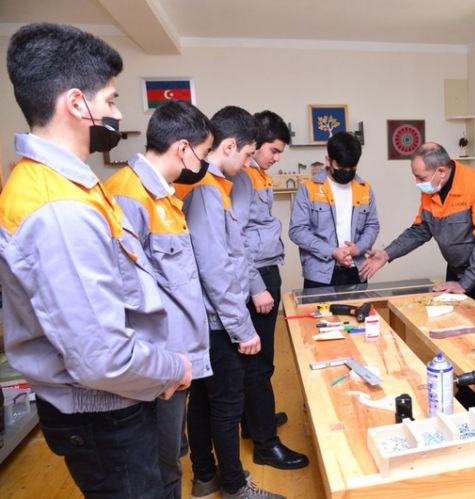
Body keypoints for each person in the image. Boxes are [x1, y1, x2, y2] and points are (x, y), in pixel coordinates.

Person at [1, 23, 191, 497]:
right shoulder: (57, 209)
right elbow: (102, 358)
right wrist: (173, 368)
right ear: (76, 103)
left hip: (120, 400)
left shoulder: (69, 185)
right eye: (110, 100)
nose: (118, 113)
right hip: (106, 414)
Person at [104, 100, 215, 498]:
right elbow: (124, 297)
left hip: (175, 359)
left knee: (170, 455)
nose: (204, 163)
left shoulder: (163, 196)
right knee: (159, 465)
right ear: (183, 148)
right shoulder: (127, 195)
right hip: (157, 366)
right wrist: (160, 368)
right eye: (204, 152)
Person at [174, 106, 283, 499]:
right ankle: (235, 486)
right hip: (217, 318)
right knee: (225, 404)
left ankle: (206, 477)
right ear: (231, 146)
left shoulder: (213, 185)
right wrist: (242, 328)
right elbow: (217, 268)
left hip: (209, 316)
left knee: (205, 400)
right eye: (249, 154)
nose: (248, 163)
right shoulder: (207, 189)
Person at [230, 110, 308, 469]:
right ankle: (266, 444)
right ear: (255, 144)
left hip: (264, 271)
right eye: (273, 150)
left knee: (257, 362)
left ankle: (254, 421)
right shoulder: (244, 177)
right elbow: (236, 238)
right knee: (259, 364)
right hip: (256, 277)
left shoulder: (257, 174)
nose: (277, 158)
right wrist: (257, 287)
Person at [360, 143, 475, 315]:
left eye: (421, 178)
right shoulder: (432, 188)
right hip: (456, 268)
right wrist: (387, 254)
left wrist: (464, 284)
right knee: (453, 319)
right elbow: (420, 230)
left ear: (442, 171)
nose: (417, 183)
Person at [289, 131, 379, 288]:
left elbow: (372, 225)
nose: (347, 172)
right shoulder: (308, 188)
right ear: (328, 160)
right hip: (320, 273)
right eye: (341, 167)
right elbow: (297, 231)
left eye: (352, 168)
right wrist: (332, 251)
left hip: (357, 270)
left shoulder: (365, 189)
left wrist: (358, 249)